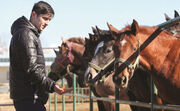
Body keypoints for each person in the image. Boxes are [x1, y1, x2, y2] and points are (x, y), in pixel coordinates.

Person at [9, 1, 68, 111]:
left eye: (49, 20)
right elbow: (32, 69)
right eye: (45, 18)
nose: (47, 23)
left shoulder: (28, 33)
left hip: (30, 98)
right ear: (34, 15)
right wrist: (52, 86)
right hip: (29, 98)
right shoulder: (26, 34)